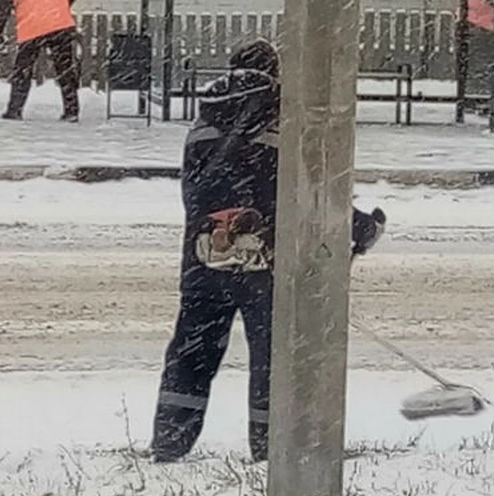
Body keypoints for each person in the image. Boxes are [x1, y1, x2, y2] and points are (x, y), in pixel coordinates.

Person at [150, 39, 386, 464]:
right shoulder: (285, 123)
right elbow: (315, 196)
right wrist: (362, 228)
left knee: (192, 352)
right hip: (266, 264)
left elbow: (197, 194)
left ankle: (169, 442)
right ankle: (270, 445)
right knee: (274, 358)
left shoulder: (202, 124)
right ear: (276, 75)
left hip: (205, 256)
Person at [0, 0, 81, 122]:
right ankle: (72, 110)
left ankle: (14, 110)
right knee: (65, 68)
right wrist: (58, 8)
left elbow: (0, 10)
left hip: (32, 27)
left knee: (23, 70)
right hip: (60, 24)